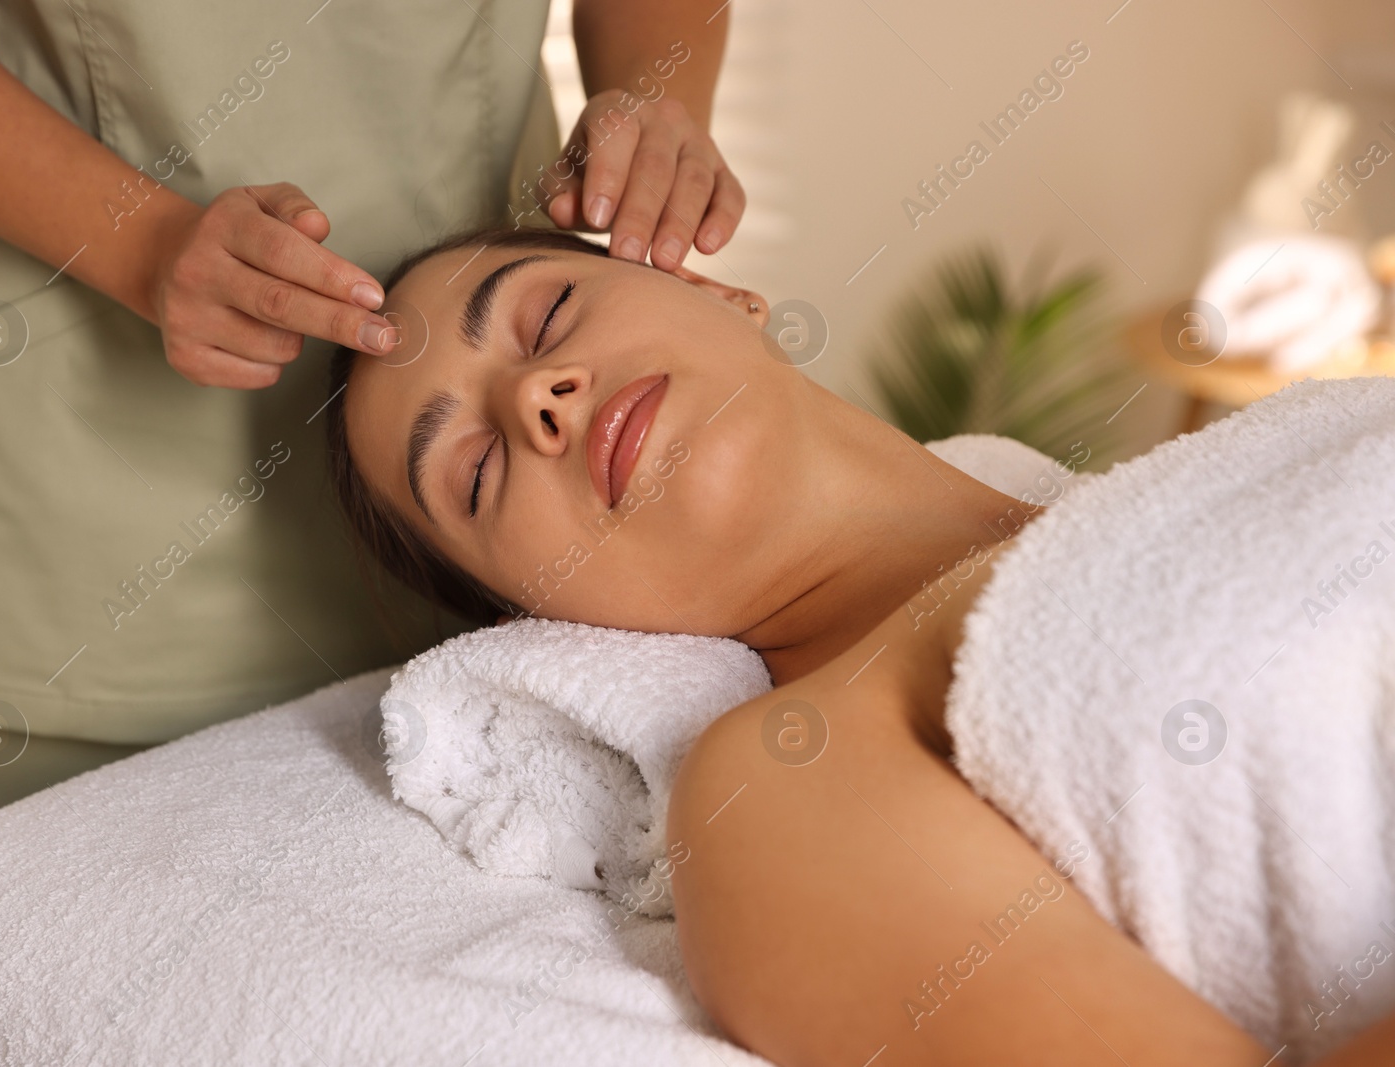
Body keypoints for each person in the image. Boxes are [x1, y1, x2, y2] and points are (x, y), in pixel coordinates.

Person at [323, 226, 1395, 1066]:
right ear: (535, 617)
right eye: (473, 473)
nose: (533, 396)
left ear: (715, 291)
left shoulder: (1225, 462)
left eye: (548, 312)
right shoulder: (787, 783)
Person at [0, 0, 745, 826]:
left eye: (547, 323)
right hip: (79, 536)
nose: (544, 395)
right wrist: (141, 244)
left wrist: (655, 108)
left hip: (509, 584)